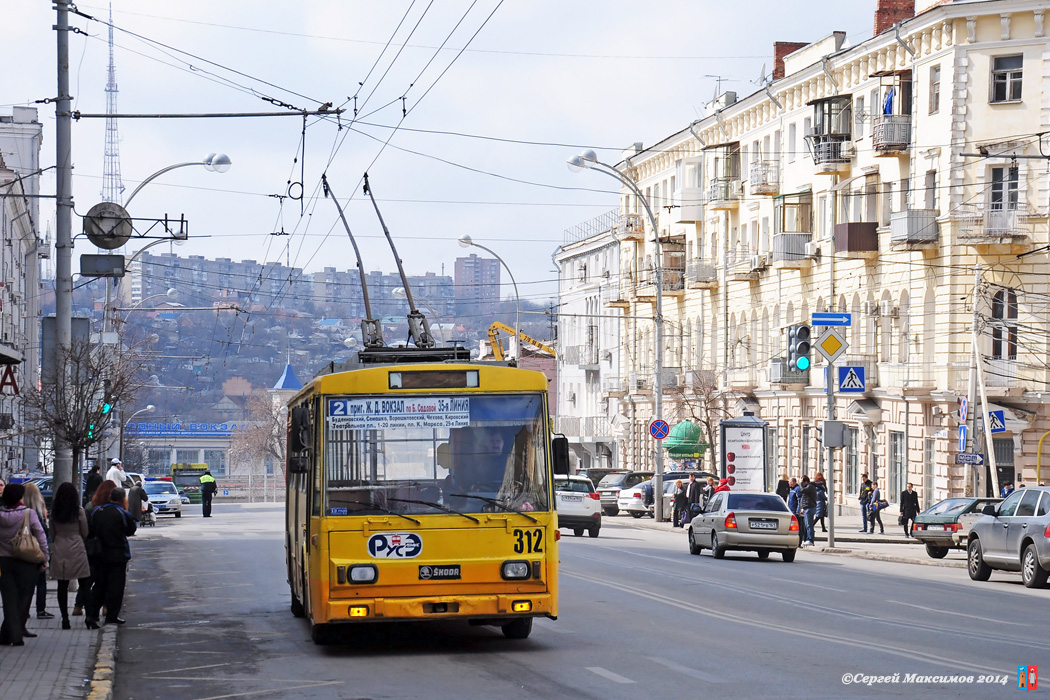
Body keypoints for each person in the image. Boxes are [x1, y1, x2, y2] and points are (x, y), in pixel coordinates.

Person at [0, 482, 49, 646]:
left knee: (8, 598)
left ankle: (7, 634)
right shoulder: (28, 514)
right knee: (24, 597)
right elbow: (40, 535)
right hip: (26, 560)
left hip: (4, 561)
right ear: (20, 497)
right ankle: (15, 635)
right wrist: (45, 557)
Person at [85, 487, 136, 628]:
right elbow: (131, 530)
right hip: (118, 555)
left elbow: (90, 530)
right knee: (116, 587)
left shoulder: (97, 511)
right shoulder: (122, 513)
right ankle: (112, 616)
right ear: (122, 500)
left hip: (99, 555)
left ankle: (92, 615)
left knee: (99, 585)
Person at [48, 482, 92, 630]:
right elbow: (85, 532)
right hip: (77, 547)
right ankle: (89, 617)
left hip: (60, 548)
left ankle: (65, 619)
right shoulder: (78, 511)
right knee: (85, 583)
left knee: (62, 585)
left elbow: (52, 533)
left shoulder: (54, 513)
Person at [23, 482, 54, 621]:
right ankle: (40, 609)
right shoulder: (39, 513)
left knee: (26, 583)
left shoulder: (21, 511)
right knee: (41, 582)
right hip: (37, 551)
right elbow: (43, 534)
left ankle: (24, 610)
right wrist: (45, 556)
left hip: (23, 550)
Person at [799, 476, 817, 547]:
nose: (802, 484)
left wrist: (800, 484)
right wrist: (803, 507)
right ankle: (808, 539)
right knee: (807, 525)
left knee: (809, 525)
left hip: (810, 508)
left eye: (802, 482)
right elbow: (804, 497)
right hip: (807, 508)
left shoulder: (810, 487)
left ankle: (810, 540)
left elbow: (802, 491)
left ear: (806, 482)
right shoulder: (808, 487)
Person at [787, 477, 805, 545]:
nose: (788, 483)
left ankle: (799, 542)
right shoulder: (792, 489)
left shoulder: (797, 489)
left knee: (798, 528)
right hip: (791, 511)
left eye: (789, 481)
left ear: (792, 482)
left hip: (795, 512)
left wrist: (798, 511)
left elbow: (799, 500)